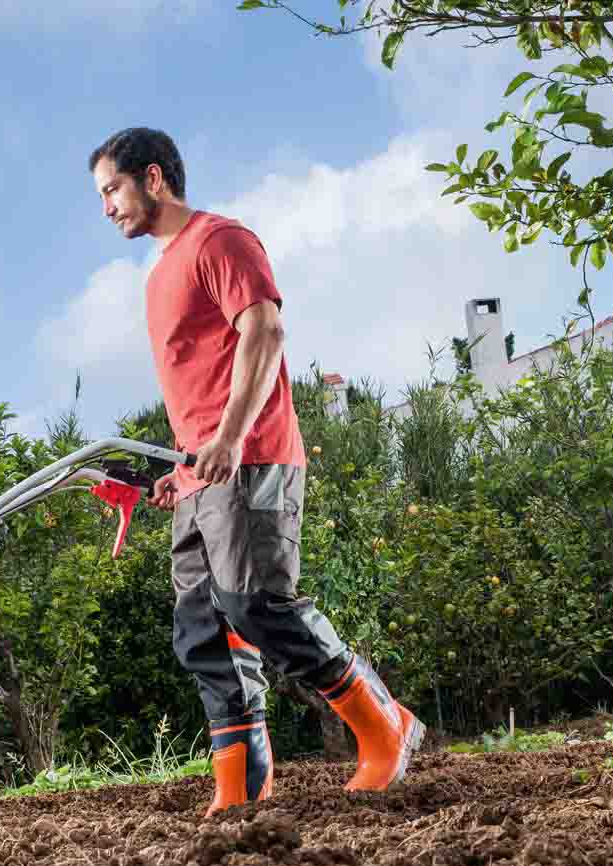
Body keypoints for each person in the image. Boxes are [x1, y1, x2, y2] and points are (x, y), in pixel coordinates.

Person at [88, 126, 425, 817]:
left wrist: (232, 439)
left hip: (253, 456)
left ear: (153, 178)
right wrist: (177, 474)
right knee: (203, 627)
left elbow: (265, 332)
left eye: (113, 189)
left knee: (257, 603)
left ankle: (383, 725)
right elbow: (199, 384)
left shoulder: (220, 240)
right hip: (200, 473)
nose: (107, 207)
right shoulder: (158, 277)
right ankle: (241, 783)